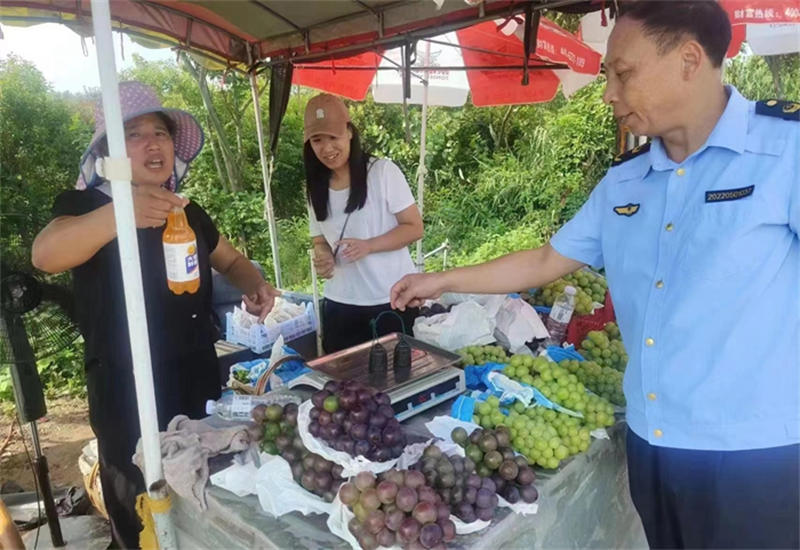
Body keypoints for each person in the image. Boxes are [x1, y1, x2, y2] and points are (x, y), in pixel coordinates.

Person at [391, 2, 799, 548]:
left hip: (757, 455)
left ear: (688, 59)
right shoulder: (625, 183)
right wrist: (440, 280)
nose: (608, 93)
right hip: (653, 447)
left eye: (622, 73)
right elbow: (545, 261)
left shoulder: (784, 150)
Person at [31, 81, 280, 548]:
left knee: (199, 500)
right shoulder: (84, 206)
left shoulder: (186, 211)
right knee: (138, 508)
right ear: (109, 152)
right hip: (126, 392)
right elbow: (45, 254)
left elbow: (230, 260)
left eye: (161, 133)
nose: (153, 143)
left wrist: (255, 284)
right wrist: (120, 212)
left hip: (197, 380)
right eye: (135, 134)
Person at [304, 93, 424, 353]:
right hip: (339, 305)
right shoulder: (315, 186)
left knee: (397, 384)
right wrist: (322, 255)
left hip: (390, 299)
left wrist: (369, 245)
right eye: (317, 140)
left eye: (333, 137)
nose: (326, 148)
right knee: (344, 388)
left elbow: (414, 227)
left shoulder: (382, 172)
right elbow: (319, 239)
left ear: (349, 133)